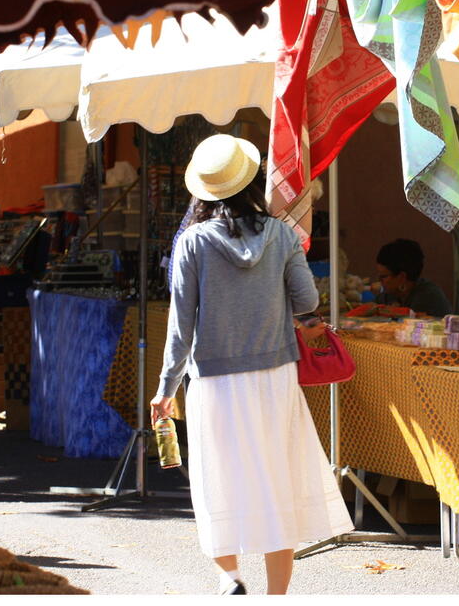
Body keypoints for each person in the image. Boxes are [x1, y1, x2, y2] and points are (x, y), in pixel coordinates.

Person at [150, 135, 352, 596]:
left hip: (214, 380)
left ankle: (231, 576)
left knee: (219, 480)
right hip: (274, 376)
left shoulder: (193, 243)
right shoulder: (281, 234)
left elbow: (180, 328)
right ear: (252, 181)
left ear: (203, 190)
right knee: (275, 483)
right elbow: (307, 300)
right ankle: (275, 597)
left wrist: (165, 389)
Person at [374, 238, 453, 317]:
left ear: (402, 277)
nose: (379, 280)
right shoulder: (389, 295)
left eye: (384, 276)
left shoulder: (428, 297)